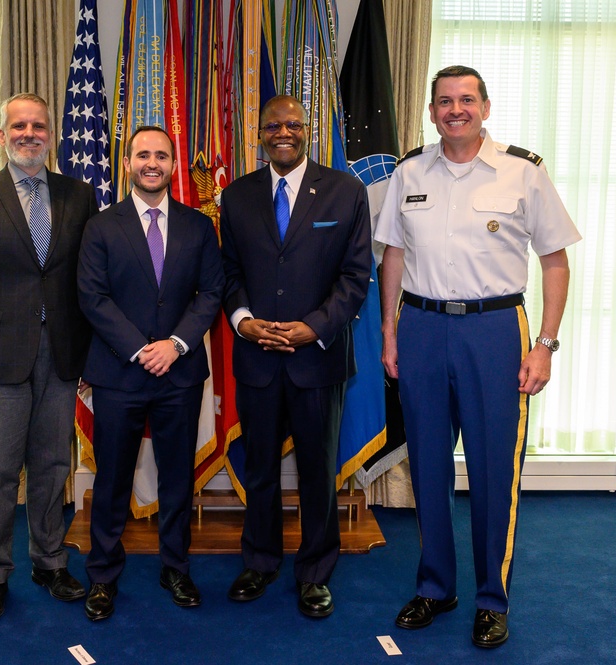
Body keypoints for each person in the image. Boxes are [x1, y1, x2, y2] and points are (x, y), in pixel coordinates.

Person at [376, 65, 582, 648]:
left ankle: (492, 599)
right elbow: (393, 254)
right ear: (432, 110)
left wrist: (544, 344)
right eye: (444, 101)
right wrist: (390, 334)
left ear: (486, 108)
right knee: (428, 466)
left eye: (467, 99)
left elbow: (555, 261)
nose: (455, 109)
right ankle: (436, 586)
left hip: (495, 332)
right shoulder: (410, 170)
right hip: (419, 328)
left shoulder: (523, 171)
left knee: (494, 471)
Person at [0, 92, 98, 621]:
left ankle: (50, 562)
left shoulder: (80, 196)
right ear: (2, 134)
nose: (29, 134)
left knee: (54, 467)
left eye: (38, 126)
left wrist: (88, 359)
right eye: (19, 126)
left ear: (51, 134)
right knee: (0, 474)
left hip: (61, 359)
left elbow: (87, 281)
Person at [220, 95, 372, 618]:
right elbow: (229, 274)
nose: (283, 132)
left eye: (293, 124)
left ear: (307, 130)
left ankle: (314, 573)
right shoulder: (235, 196)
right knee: (259, 468)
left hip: (318, 360)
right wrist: (244, 322)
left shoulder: (345, 191)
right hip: (258, 358)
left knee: (316, 471)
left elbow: (356, 277)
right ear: (258, 135)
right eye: (272, 126)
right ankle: (260, 561)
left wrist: (313, 327)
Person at [77, 125, 224, 621]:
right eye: (143, 154)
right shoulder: (100, 226)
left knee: (178, 478)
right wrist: (142, 349)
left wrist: (176, 344)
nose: (152, 163)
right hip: (120, 373)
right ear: (128, 163)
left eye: (162, 155)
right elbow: (92, 298)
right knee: (113, 478)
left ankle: (175, 568)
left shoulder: (199, 226)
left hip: (179, 375)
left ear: (174, 164)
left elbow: (210, 293)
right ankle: (102, 575)